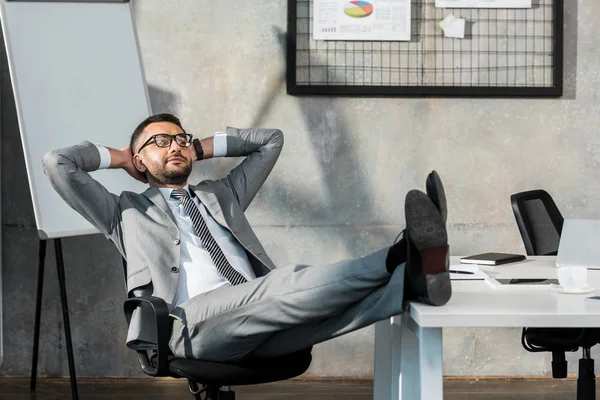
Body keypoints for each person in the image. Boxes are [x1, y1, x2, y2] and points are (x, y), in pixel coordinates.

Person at [43, 113, 451, 362]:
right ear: (139, 159)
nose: (175, 146)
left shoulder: (222, 194)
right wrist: (120, 157)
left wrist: (196, 148)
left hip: (258, 312)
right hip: (188, 325)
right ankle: (402, 252)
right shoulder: (123, 210)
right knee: (286, 282)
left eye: (181, 139)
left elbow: (270, 140)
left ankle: (413, 279)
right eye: (160, 142)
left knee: (343, 311)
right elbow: (57, 163)